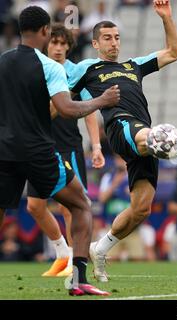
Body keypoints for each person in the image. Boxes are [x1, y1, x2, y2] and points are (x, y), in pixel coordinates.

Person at [69, 0, 177, 282]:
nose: (114, 43)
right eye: (107, 38)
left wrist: (166, 18)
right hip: (120, 126)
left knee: (141, 209)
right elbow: (60, 94)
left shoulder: (133, 65)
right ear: (95, 43)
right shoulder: (87, 68)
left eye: (116, 38)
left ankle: (99, 248)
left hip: (142, 136)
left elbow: (175, 52)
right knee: (155, 136)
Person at [0, 6, 120, 295]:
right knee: (80, 205)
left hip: (4, 151)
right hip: (39, 152)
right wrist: (101, 100)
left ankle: (62, 256)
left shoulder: (2, 62)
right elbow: (67, 109)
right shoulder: (50, 67)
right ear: (44, 31)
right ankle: (78, 279)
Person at [25, 23, 105, 278]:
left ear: (69, 46)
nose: (58, 48)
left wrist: (96, 146)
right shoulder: (38, 70)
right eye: (54, 43)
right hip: (41, 148)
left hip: (68, 147)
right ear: (46, 43)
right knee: (34, 206)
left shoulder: (75, 72)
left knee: (72, 208)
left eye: (63, 44)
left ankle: (75, 260)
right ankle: (62, 253)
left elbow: (89, 111)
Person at [98, 154, 156, 261]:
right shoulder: (108, 177)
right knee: (111, 258)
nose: (120, 161)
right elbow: (102, 198)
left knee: (138, 258)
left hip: (133, 227)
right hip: (112, 226)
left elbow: (145, 199)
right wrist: (115, 183)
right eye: (117, 158)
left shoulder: (136, 176)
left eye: (122, 158)